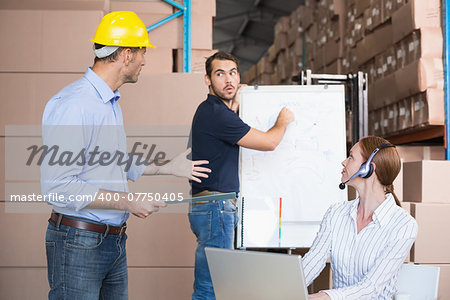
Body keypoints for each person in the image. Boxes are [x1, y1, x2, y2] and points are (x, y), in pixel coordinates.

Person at [41, 11, 210, 299]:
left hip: (113, 241)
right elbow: (59, 187)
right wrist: (129, 200)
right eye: (143, 52)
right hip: (79, 242)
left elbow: (115, 161)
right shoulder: (74, 105)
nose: (145, 61)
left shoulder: (109, 102)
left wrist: (169, 167)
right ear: (127, 55)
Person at [189, 51, 295, 299]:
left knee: (211, 283)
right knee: (212, 287)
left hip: (210, 206)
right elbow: (269, 142)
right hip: (216, 207)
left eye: (233, 73)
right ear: (207, 80)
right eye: (220, 74)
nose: (228, 80)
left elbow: (228, 129)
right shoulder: (215, 114)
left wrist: (236, 104)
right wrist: (283, 121)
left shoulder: (214, 111)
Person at [303, 136, 418, 300]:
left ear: (368, 169)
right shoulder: (336, 213)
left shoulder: (403, 225)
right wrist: (285, 288)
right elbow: (312, 262)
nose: (344, 162)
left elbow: (370, 288)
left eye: (351, 157)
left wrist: (324, 296)